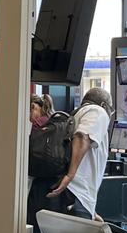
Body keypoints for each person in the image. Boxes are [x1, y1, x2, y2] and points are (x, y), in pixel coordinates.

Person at [47, 87, 113, 220]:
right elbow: (82, 137)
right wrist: (70, 176)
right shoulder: (98, 111)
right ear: (104, 105)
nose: (110, 114)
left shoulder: (76, 115)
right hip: (75, 194)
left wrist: (90, 210)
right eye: (111, 110)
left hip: (71, 196)